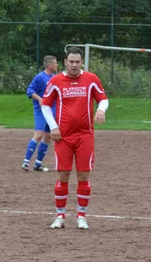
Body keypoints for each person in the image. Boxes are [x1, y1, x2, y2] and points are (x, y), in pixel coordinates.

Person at [40, 48, 108, 230]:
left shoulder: (91, 79)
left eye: (78, 62)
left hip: (85, 135)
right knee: (63, 174)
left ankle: (81, 216)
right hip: (63, 136)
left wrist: (101, 109)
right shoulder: (56, 81)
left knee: (83, 175)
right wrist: (53, 126)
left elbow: (103, 99)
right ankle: (60, 216)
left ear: (81, 63)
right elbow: (45, 105)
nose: (75, 65)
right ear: (65, 62)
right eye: (72, 62)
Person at [21, 55, 58, 172]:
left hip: (51, 112)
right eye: (55, 63)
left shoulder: (55, 78)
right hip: (41, 111)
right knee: (38, 135)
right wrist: (40, 99)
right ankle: (26, 162)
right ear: (49, 65)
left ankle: (38, 164)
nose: (57, 65)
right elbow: (30, 90)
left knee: (48, 137)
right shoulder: (40, 77)